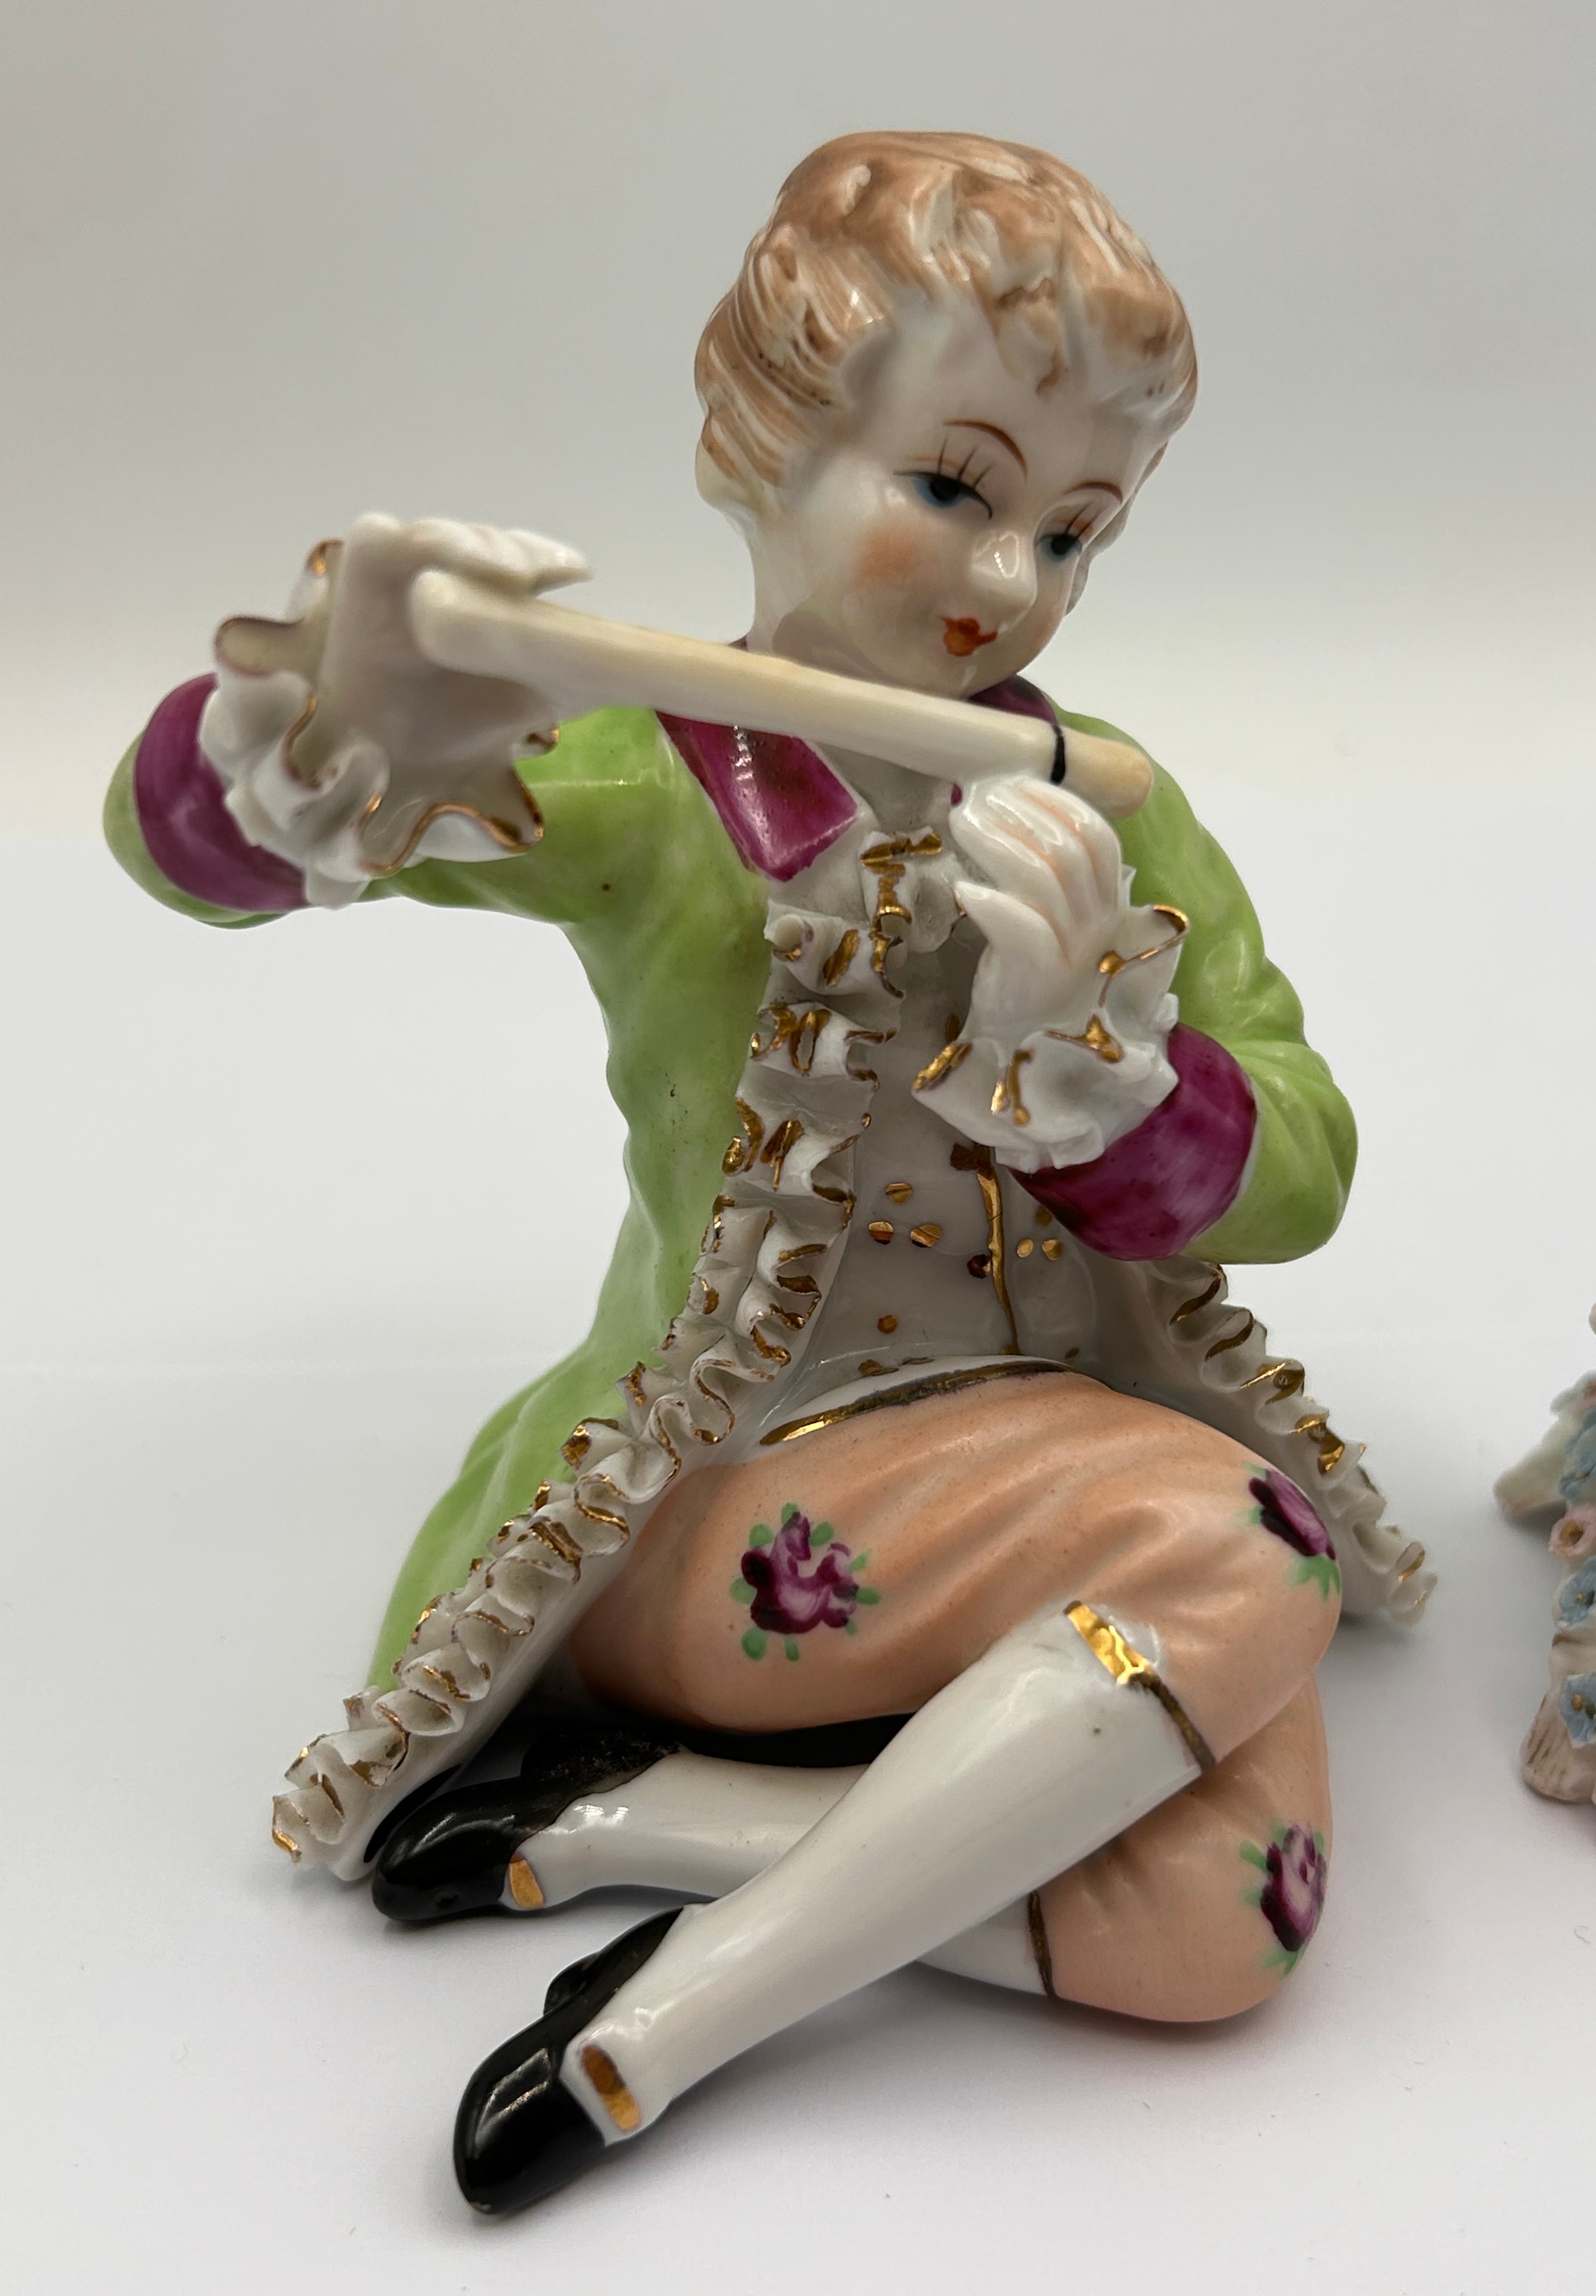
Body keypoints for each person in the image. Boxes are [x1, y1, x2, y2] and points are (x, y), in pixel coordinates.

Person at [106, 131, 1417, 2214]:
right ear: (768, 445)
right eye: (955, 489)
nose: (1012, 581)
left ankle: (638, 1827)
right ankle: (666, 2031)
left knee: (1219, 1924)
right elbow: (202, 861)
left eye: (1075, 532)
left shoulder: (1108, 812)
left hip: (1046, 1496)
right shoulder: (648, 780)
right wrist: (318, 732)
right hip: (730, 1504)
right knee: (1247, 1547)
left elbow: (1307, 1160)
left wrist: (1116, 1082)